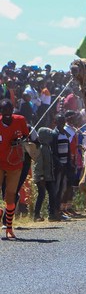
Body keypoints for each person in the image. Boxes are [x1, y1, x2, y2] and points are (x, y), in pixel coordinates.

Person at [0, 99, 30, 238]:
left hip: (14, 163)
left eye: (9, 110)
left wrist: (18, 141)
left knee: (10, 196)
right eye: (4, 111)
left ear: (12, 110)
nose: (7, 113)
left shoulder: (20, 120)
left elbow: (26, 136)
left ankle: (9, 227)